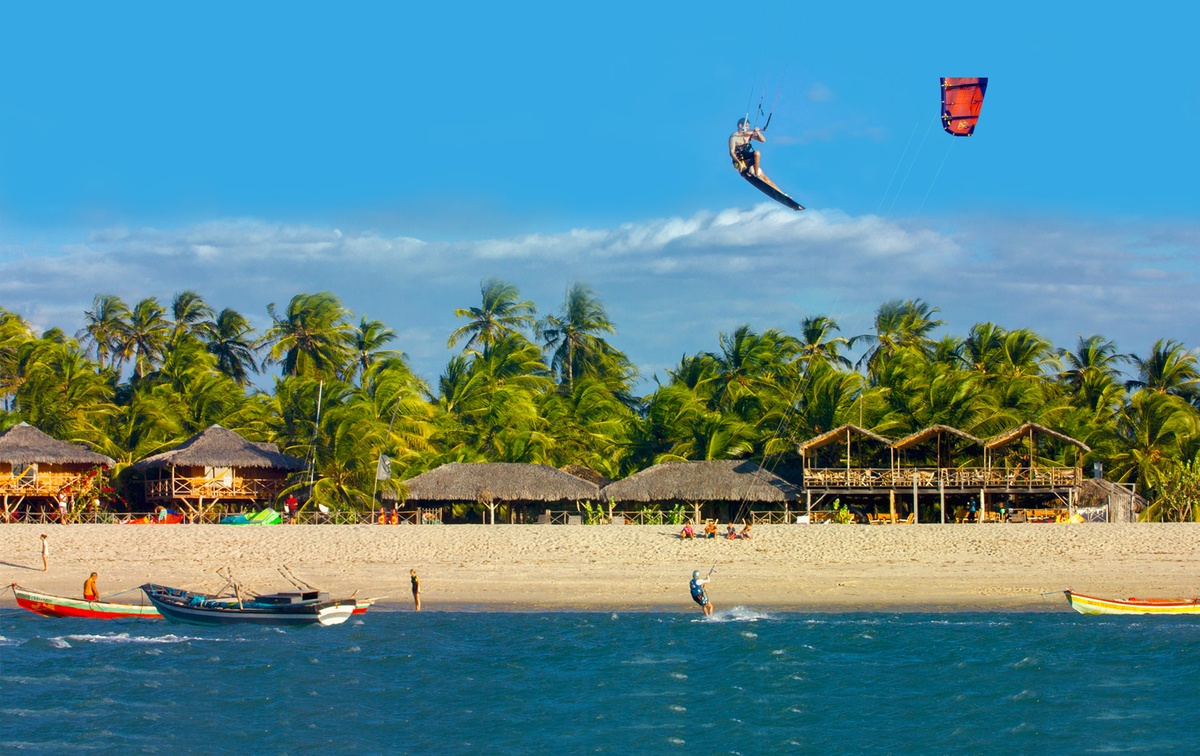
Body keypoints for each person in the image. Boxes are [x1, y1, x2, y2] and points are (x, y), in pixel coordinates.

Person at [729, 118, 783, 192]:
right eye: (746, 126)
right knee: (751, 170)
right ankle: (754, 174)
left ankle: (783, 194)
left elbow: (763, 140)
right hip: (740, 161)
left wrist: (758, 133)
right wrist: (739, 163)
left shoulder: (748, 134)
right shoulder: (734, 137)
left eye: (748, 126)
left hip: (748, 158)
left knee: (766, 178)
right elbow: (731, 152)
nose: (748, 128)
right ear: (740, 125)